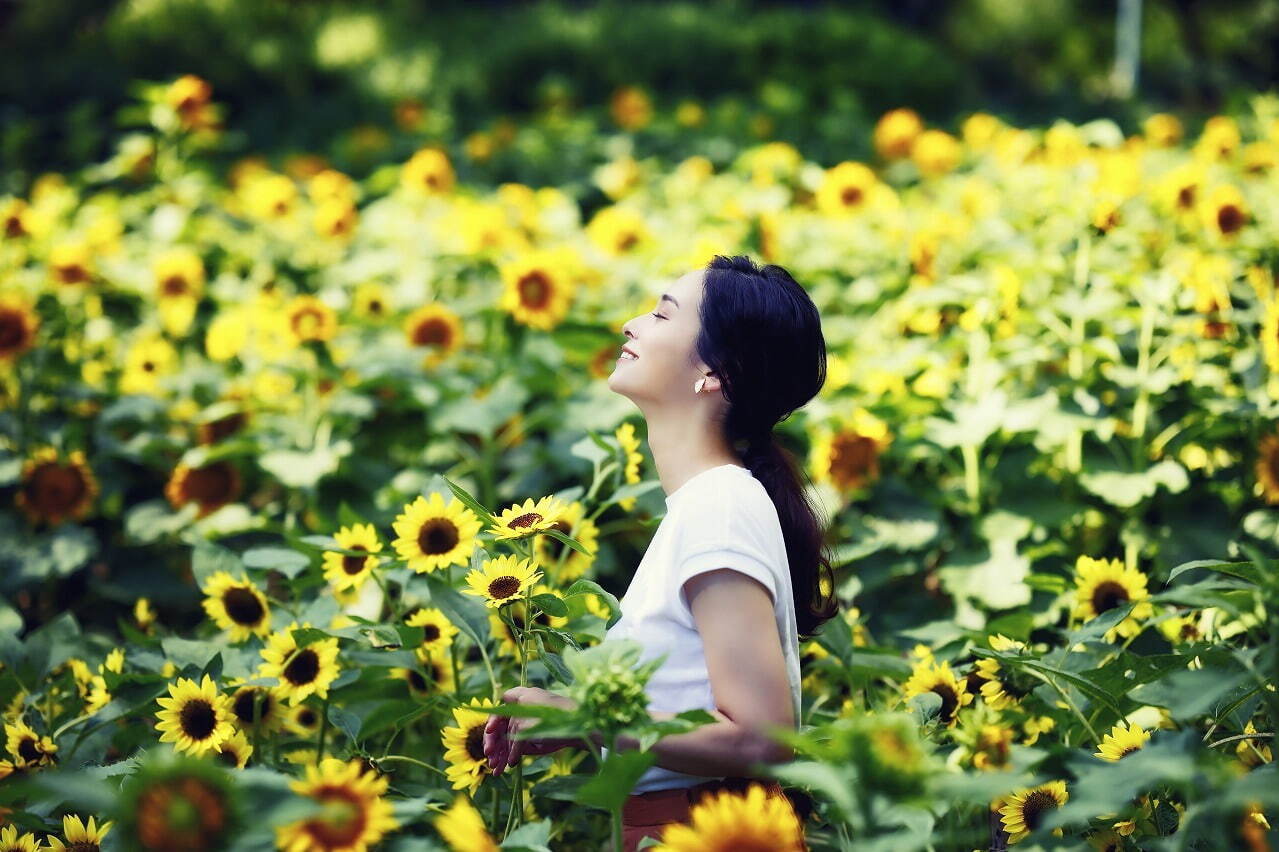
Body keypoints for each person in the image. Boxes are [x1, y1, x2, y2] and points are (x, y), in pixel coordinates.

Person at [483, 254, 838, 851]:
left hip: (711, 833)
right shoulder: (706, 506)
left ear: (716, 372)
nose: (632, 324)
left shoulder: (719, 506)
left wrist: (583, 716)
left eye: (661, 313)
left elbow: (762, 739)